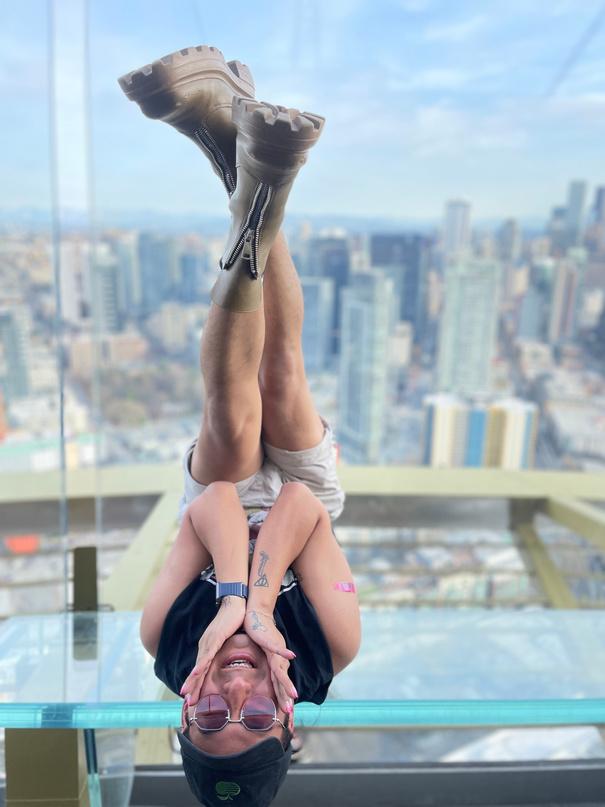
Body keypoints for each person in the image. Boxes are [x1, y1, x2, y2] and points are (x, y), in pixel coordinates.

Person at [118, 45, 361, 806]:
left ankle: (255, 172)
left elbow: (215, 504)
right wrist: (258, 605)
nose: (233, 693)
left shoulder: (166, 639)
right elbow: (302, 508)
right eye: (253, 718)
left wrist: (234, 601)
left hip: (220, 509)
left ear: (182, 709)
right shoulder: (330, 647)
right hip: (302, 501)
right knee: (281, 374)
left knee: (228, 411)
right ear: (289, 719)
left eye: (207, 716)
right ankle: (245, 167)